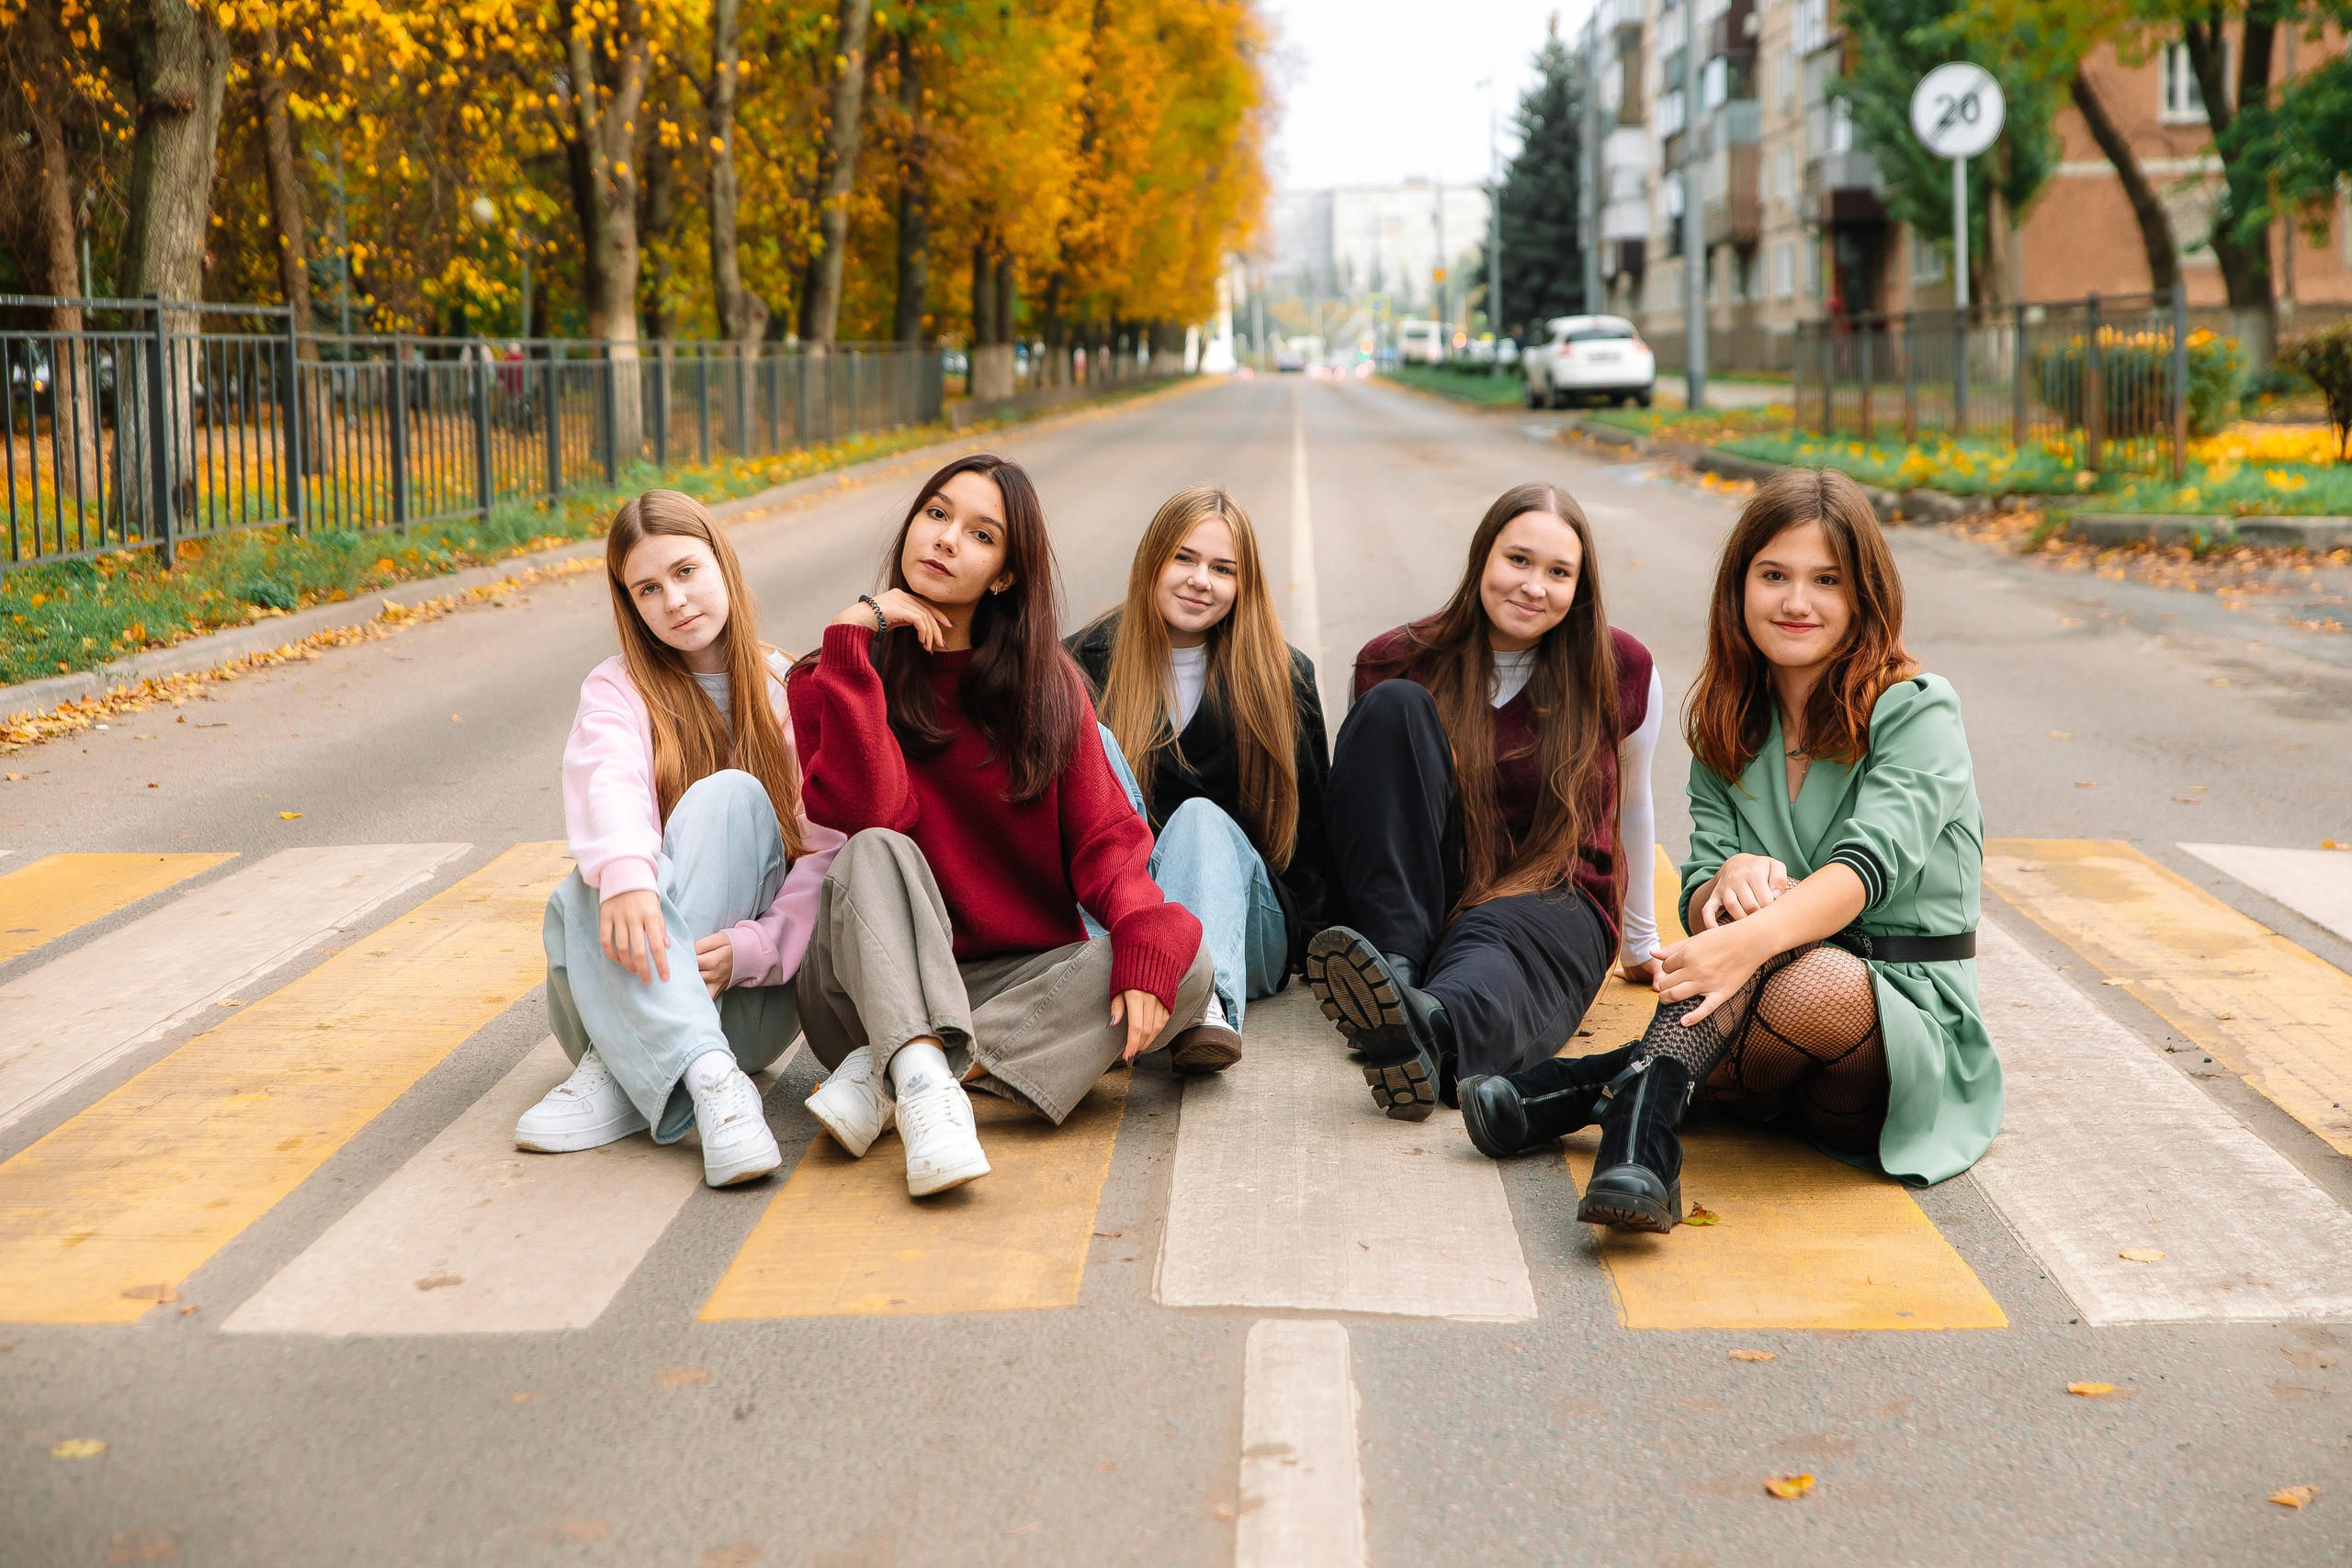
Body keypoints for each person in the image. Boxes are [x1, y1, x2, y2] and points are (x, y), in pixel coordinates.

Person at [1467, 468, 2003, 1234]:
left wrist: (1747, 933)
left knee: (1792, 969)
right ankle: (1634, 1118)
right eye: (1774, 575)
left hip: (1897, 1019)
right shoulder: (1730, 722)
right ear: (1738, 587)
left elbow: (1864, 872)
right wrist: (1727, 875)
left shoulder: (1916, 710)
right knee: (1762, 950)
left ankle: (1591, 1093)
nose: (1796, 601)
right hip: (1769, 1051)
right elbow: (1697, 896)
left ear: (1864, 596)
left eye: (1826, 580)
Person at [786, 454, 1216, 1198]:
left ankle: (908, 1076)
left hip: (1010, 979)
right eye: (937, 514)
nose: (947, 539)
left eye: (981, 534)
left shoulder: (1048, 690)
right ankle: (920, 1069)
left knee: (1187, 965)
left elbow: (1107, 843)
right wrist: (857, 639)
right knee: (877, 850)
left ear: (1005, 575)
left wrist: (1147, 930)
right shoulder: (833, 672)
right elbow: (871, 815)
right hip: (866, 981)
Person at [1306, 481, 1663, 1122]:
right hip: (1425, 898)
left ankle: (1428, 1029)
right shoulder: (1396, 661)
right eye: (1518, 560)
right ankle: (1394, 975)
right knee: (1394, 711)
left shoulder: (1621, 667)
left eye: (1559, 572)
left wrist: (1640, 943)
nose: (1534, 585)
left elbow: (1634, 805)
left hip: (1554, 897)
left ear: (1580, 587)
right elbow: (1376, 808)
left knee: (1495, 944)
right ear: (1482, 559)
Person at [523, 490, 845, 1189]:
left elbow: (829, 846)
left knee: (729, 798)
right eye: (648, 588)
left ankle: (627, 1068)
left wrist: (754, 948)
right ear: (630, 604)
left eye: (686, 571)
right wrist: (626, 876)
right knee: (594, 876)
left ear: (721, 564)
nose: (673, 599)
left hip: (744, 1001)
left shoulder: (785, 686)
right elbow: (609, 782)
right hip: (611, 1007)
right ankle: (703, 1080)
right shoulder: (618, 689)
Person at [1068, 485, 1332, 1049]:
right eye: (1184, 558)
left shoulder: (1283, 678)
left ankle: (1207, 1006)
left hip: (1247, 926)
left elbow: (1312, 835)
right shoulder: (1079, 666)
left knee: (1200, 819)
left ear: (1243, 585)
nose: (1200, 580)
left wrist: (1317, 945)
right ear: (1152, 562)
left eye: (1222, 569)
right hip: (1127, 915)